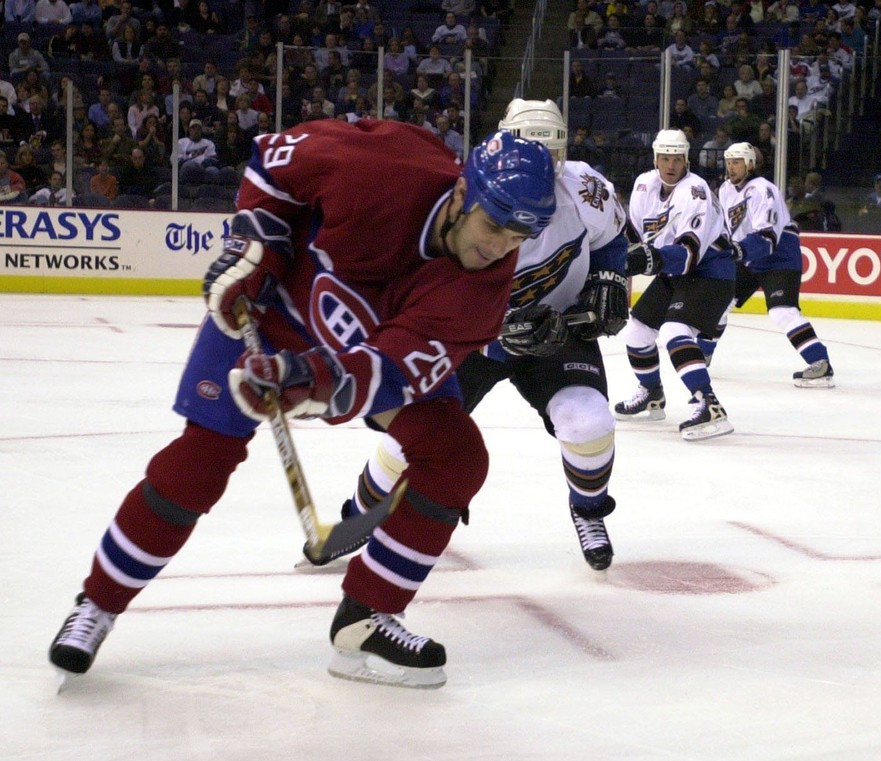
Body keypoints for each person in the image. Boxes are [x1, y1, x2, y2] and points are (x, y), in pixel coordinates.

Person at [47, 123, 557, 690]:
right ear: (463, 194)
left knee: (456, 456)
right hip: (268, 313)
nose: (497, 249)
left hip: (350, 352)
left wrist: (309, 382)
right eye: (492, 226)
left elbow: (387, 371)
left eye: (516, 238)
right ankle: (98, 603)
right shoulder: (386, 165)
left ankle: (366, 622)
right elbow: (273, 161)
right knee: (200, 461)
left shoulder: (482, 288)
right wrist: (252, 252)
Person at [335, 100, 630, 571]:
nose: (542, 167)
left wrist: (612, 280)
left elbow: (612, 239)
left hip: (556, 327)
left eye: (551, 155)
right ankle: (359, 516)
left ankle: (589, 510)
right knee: (403, 441)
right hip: (466, 337)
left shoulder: (584, 189)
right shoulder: (459, 196)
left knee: (588, 421)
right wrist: (495, 334)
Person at [614, 129, 736, 440]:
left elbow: (688, 256)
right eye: (665, 158)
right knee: (637, 330)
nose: (671, 165)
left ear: (686, 161)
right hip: (674, 272)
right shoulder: (644, 185)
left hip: (711, 271)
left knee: (673, 331)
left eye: (677, 159)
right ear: (655, 158)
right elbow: (635, 239)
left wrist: (647, 259)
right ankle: (652, 393)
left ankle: (709, 406)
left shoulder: (695, 191)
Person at [715, 142, 834, 386]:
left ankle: (820, 364)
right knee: (719, 302)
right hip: (749, 254)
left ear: (750, 164)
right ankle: (701, 356)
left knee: (783, 311)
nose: (731, 167)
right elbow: (730, 230)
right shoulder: (726, 190)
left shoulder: (763, 189)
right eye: (729, 161)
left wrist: (738, 251)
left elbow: (767, 237)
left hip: (779, 255)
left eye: (737, 161)